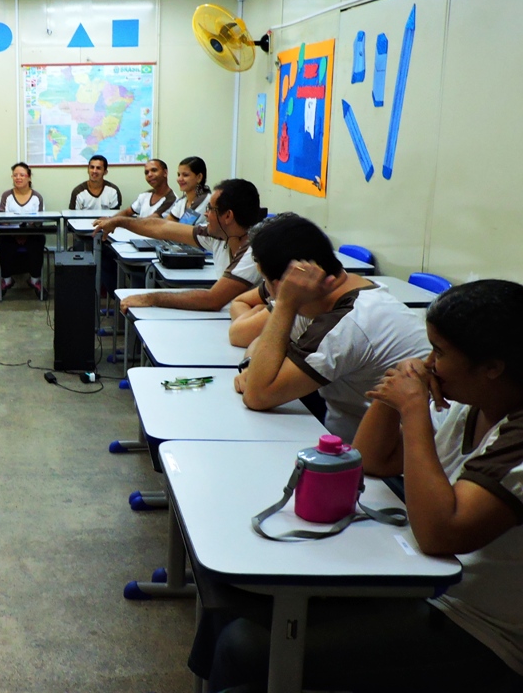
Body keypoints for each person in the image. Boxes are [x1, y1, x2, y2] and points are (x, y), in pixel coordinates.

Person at [191, 280, 523, 692]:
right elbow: (373, 459)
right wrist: (392, 394)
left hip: (478, 628)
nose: (429, 364)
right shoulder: (477, 402)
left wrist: (414, 409)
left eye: (439, 352)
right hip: (420, 580)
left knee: (247, 646)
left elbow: (440, 534)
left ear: (491, 368)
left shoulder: (514, 437)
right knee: (232, 601)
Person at [234, 213, 430, 440]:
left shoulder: (347, 321)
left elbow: (257, 396)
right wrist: (252, 366)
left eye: (265, 281)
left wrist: (285, 305)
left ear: (284, 284)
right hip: (350, 435)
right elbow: (259, 342)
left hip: (384, 453)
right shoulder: (335, 292)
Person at [93, 178, 264, 312]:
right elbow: (163, 228)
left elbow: (213, 300)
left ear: (228, 216)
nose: (206, 214)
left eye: (211, 209)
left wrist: (151, 298)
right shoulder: (219, 235)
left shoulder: (254, 251)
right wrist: (120, 221)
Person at [0, 162, 46, 299]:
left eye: (22, 175)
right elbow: (2, 219)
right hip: (10, 235)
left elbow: (39, 222)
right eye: (15, 175)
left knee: (39, 240)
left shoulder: (37, 197)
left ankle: (35, 280)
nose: (18, 178)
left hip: (31, 235)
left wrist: (26, 234)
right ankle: (6, 280)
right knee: (3, 241)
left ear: (29, 177)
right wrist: (15, 234)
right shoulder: (6, 196)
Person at [165, 156, 210, 224]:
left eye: (185, 175)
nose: (179, 179)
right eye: (179, 175)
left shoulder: (210, 201)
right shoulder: (181, 202)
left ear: (199, 177)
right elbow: (166, 224)